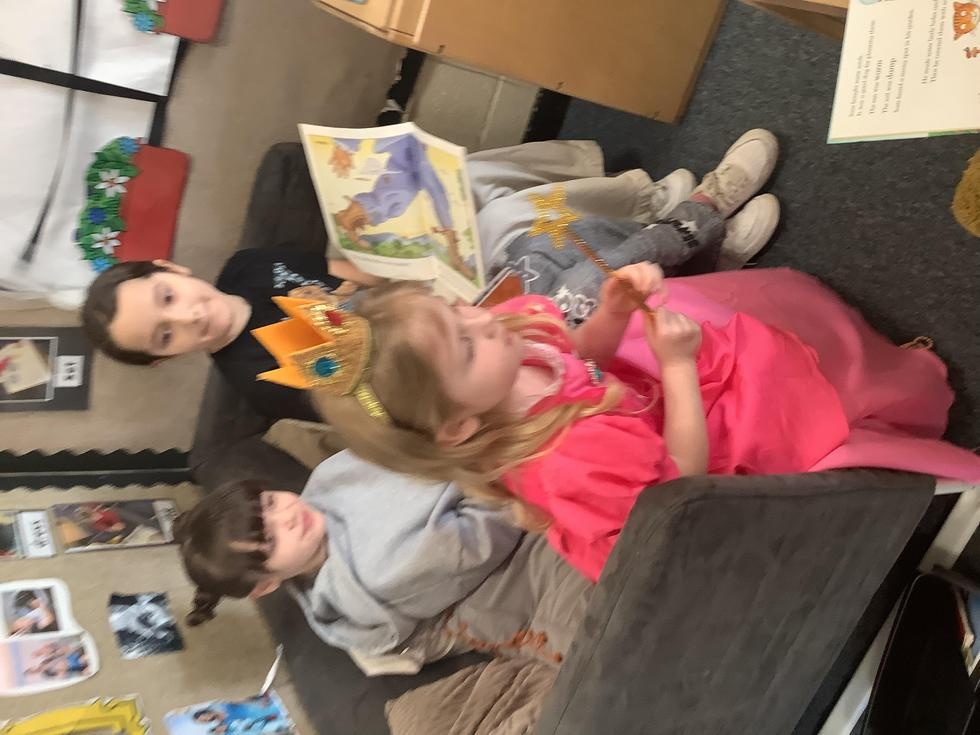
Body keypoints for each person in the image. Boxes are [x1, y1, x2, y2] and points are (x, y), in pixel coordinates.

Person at [305, 268, 980, 582]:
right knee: (785, 391)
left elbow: (580, 355)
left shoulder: (508, 339)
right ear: (456, 426)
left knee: (733, 317)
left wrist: (613, 312)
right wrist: (677, 367)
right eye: (464, 345)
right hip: (672, 477)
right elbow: (683, 482)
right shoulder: (572, 459)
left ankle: (867, 366)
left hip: (638, 414)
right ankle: (889, 406)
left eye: (457, 310)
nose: (482, 317)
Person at [79, 133, 778, 422]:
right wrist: (411, 303)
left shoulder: (243, 266)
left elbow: (343, 272)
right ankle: (702, 240)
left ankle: (649, 209)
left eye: (167, 297)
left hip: (421, 294)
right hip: (429, 349)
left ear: (171, 267)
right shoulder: (252, 373)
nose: (187, 316)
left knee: (484, 201)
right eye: (165, 334)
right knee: (540, 260)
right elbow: (371, 385)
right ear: (167, 356)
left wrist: (404, 250)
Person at [173, 454, 592, 674]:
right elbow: (491, 532)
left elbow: (403, 449)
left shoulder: (326, 480)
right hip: (512, 558)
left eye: (268, 502)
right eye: (269, 539)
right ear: (265, 586)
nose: (287, 516)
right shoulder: (374, 576)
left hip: (479, 487)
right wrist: (484, 457)